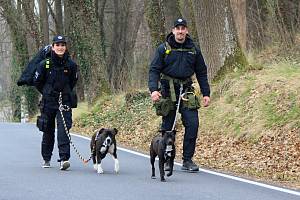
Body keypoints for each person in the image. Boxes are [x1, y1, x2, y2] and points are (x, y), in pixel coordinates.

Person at [148, 18, 210, 172]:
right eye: (178, 28)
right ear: (173, 30)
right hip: (168, 91)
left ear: (187, 31)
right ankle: (167, 158)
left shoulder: (194, 49)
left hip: (187, 92)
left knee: (193, 124)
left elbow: (201, 72)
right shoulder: (163, 49)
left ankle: (187, 160)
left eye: (183, 28)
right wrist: (153, 90)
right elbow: (154, 70)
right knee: (167, 128)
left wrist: (206, 93)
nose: (181, 31)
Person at [34, 35, 78, 170]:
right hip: (48, 102)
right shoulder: (44, 64)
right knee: (48, 130)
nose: (60, 47)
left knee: (64, 130)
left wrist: (64, 93)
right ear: (53, 47)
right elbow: (37, 82)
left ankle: (64, 159)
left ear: (66, 47)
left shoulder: (71, 65)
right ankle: (46, 158)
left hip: (64, 101)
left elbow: (73, 82)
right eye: (57, 45)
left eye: (62, 45)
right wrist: (47, 92)